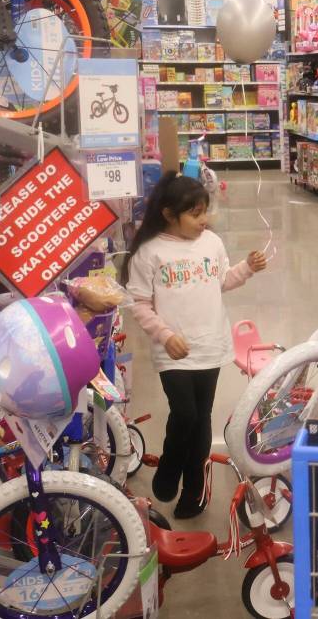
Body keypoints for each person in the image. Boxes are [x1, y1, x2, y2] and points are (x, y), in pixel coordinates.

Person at [123, 172, 268, 518]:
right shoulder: (149, 252)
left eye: (206, 211)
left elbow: (221, 281)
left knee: (202, 418)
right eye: (195, 213)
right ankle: (171, 466)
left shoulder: (211, 243)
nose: (204, 220)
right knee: (184, 413)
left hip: (212, 345)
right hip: (173, 350)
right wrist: (165, 334)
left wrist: (246, 268)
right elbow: (139, 303)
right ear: (170, 214)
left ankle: (195, 491)